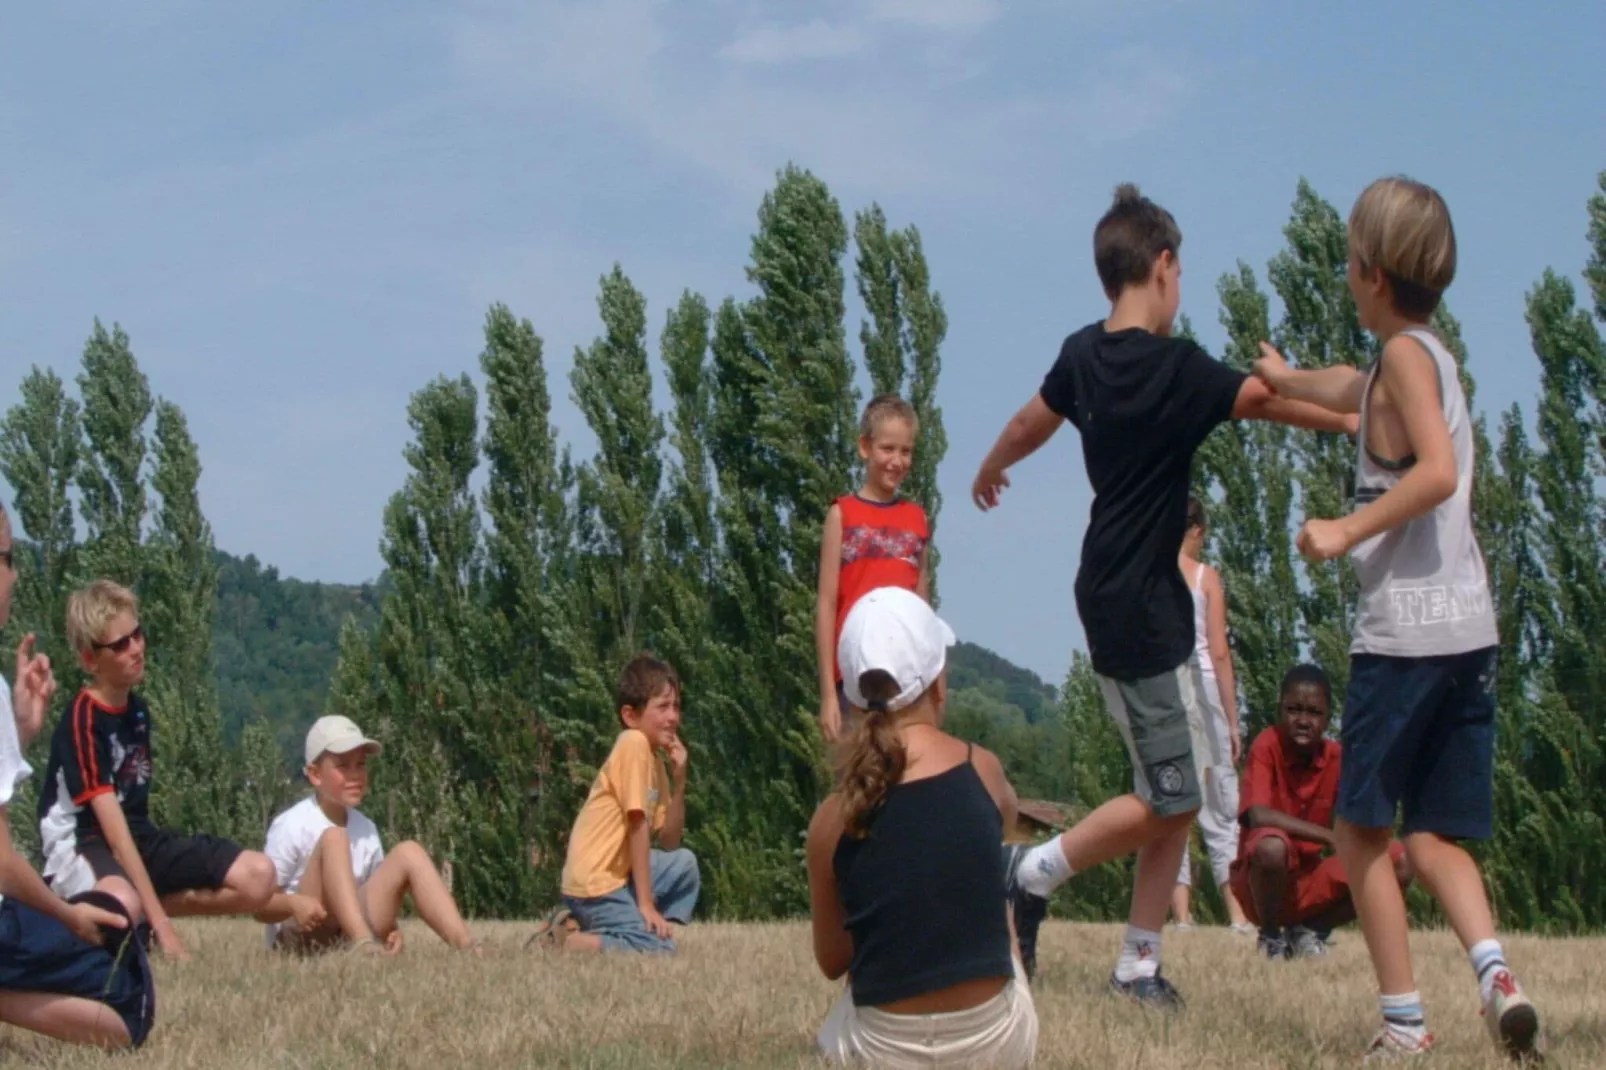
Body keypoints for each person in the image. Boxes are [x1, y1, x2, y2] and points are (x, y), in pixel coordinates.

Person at [973, 183, 1355, 1006]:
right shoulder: (1178, 370)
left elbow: (1028, 424)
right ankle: (1029, 871)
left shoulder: (1082, 354)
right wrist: (1356, 421)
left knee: (1173, 789)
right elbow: (1274, 401)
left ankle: (1140, 965)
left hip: (1114, 591)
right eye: (1183, 274)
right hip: (1136, 605)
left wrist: (991, 465)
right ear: (1163, 265)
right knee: (1173, 792)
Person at [1253, 176, 1539, 1060]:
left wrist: (1345, 529)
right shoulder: (1424, 358)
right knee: (1435, 834)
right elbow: (1349, 390)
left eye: (1346, 258)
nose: (1344, 271)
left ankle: (1405, 1024)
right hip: (1468, 634)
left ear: (1371, 273)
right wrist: (1278, 380)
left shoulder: (1406, 363)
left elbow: (1438, 472)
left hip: (1406, 640)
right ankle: (1496, 976)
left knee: (1360, 830)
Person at [810, 587, 1038, 1068]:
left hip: (882, 1052)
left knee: (836, 1026)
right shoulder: (983, 768)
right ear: (939, 684)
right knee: (999, 898)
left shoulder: (831, 819)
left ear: (853, 698)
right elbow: (1009, 816)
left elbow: (833, 961)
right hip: (997, 1045)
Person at [37, 580, 277, 961]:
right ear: (89, 660)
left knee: (259, 876)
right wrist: (166, 931)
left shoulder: (137, 711)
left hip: (138, 838)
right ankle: (104, 910)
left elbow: (132, 826)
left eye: (137, 635)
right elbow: (112, 834)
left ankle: (140, 909)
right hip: (82, 843)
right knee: (124, 910)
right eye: (120, 644)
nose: (135, 649)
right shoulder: (82, 718)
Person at [0, 503, 154, 1050]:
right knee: (129, 1003)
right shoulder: (85, 715)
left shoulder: (137, 711)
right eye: (8, 557)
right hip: (59, 869)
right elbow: (0, 860)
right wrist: (68, 916)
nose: (14, 574)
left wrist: (19, 729)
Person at [1229, 664, 1410, 961]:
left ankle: (1309, 931)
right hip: (1260, 885)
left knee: (1401, 861)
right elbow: (1258, 814)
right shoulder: (1267, 744)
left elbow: (1361, 816)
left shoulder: (1337, 757)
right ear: (1280, 710)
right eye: (1294, 710)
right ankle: (1271, 937)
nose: (1303, 720)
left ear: (1327, 719)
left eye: (1314, 713)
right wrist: (1330, 837)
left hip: (1309, 880)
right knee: (1272, 847)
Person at [256, 715, 477, 954]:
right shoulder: (291, 824)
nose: (355, 774)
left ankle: (468, 947)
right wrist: (293, 903)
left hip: (343, 938)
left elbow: (376, 893)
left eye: (360, 764)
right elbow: (259, 905)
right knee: (334, 838)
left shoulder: (367, 828)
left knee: (409, 852)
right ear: (315, 774)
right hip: (300, 940)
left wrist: (391, 929)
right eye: (343, 765)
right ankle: (363, 945)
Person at [538, 653, 698, 954]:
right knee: (661, 950)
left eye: (676, 706)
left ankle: (596, 923)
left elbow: (669, 840)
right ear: (630, 716)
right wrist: (647, 905)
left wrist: (680, 782)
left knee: (685, 864)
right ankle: (566, 942)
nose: (674, 717)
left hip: (619, 875)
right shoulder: (633, 743)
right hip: (595, 882)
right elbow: (638, 824)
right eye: (662, 706)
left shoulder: (656, 762)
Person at [816, 394, 932, 743]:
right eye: (888, 449)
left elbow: (923, 607)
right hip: (853, 680)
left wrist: (936, 682)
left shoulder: (917, 519)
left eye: (906, 451)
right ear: (865, 447)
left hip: (907, 681)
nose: (897, 461)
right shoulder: (842, 514)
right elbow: (826, 604)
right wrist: (827, 695)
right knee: (858, 779)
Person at [1170, 496, 1252, 935]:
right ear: (1198, 531)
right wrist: (1233, 720)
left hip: (1165, 694)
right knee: (1220, 803)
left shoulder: (1154, 575)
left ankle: (1182, 916)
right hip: (1203, 693)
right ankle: (1236, 912)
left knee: (1171, 803)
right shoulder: (1206, 578)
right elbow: (1218, 652)